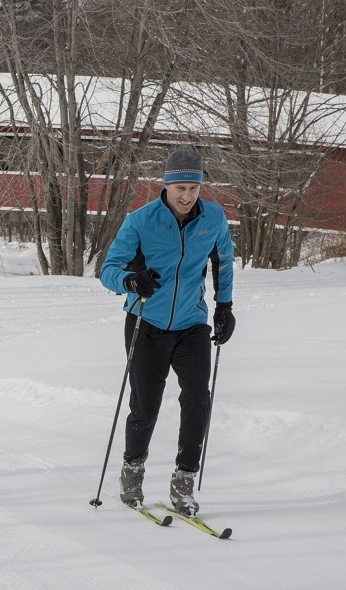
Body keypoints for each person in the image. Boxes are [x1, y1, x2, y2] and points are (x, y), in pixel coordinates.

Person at [98, 148, 235, 516]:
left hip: (192, 322)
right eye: (180, 187)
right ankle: (132, 472)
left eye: (193, 187)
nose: (187, 195)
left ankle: (184, 481)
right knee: (146, 406)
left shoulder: (214, 218)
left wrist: (225, 307)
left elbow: (223, 262)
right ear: (167, 185)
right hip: (147, 323)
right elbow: (107, 270)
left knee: (196, 398)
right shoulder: (141, 221)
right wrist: (131, 280)